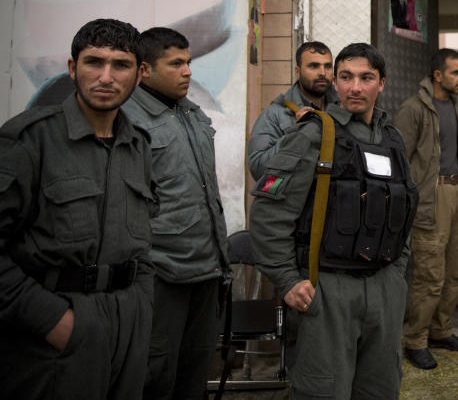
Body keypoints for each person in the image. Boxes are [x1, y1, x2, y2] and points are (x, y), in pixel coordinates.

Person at [250, 43, 417, 399]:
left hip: (384, 287)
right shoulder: (313, 134)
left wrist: (397, 275)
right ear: (336, 84)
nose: (355, 87)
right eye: (346, 77)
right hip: (328, 288)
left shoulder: (394, 139)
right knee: (323, 391)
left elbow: (405, 212)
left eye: (366, 78)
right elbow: (268, 213)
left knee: (380, 390)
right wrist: (288, 279)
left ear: (382, 83)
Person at [0, 19, 156, 398]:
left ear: (139, 76)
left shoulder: (139, 145)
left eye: (121, 65)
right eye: (93, 62)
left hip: (127, 325)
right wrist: (52, 320)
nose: (106, 76)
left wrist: (141, 306)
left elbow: (145, 238)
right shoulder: (28, 140)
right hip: (55, 327)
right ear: (72, 68)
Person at [123, 27, 230, 400]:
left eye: (188, 62)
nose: (187, 71)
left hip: (206, 268)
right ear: (145, 70)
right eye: (176, 63)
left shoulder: (191, 112)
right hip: (161, 274)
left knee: (195, 374)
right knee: (156, 376)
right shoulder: (128, 119)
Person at [395, 49, 458, 370]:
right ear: (438, 75)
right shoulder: (413, 109)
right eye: (456, 73)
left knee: (457, 271)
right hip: (432, 195)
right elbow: (399, 159)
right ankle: (415, 339)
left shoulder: (456, 107)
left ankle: (441, 330)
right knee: (430, 274)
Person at [248, 40, 337, 181]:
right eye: (313, 66)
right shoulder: (274, 114)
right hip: (296, 201)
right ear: (297, 71)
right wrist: (296, 134)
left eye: (328, 66)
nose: (322, 73)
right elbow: (258, 169)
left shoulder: (343, 109)